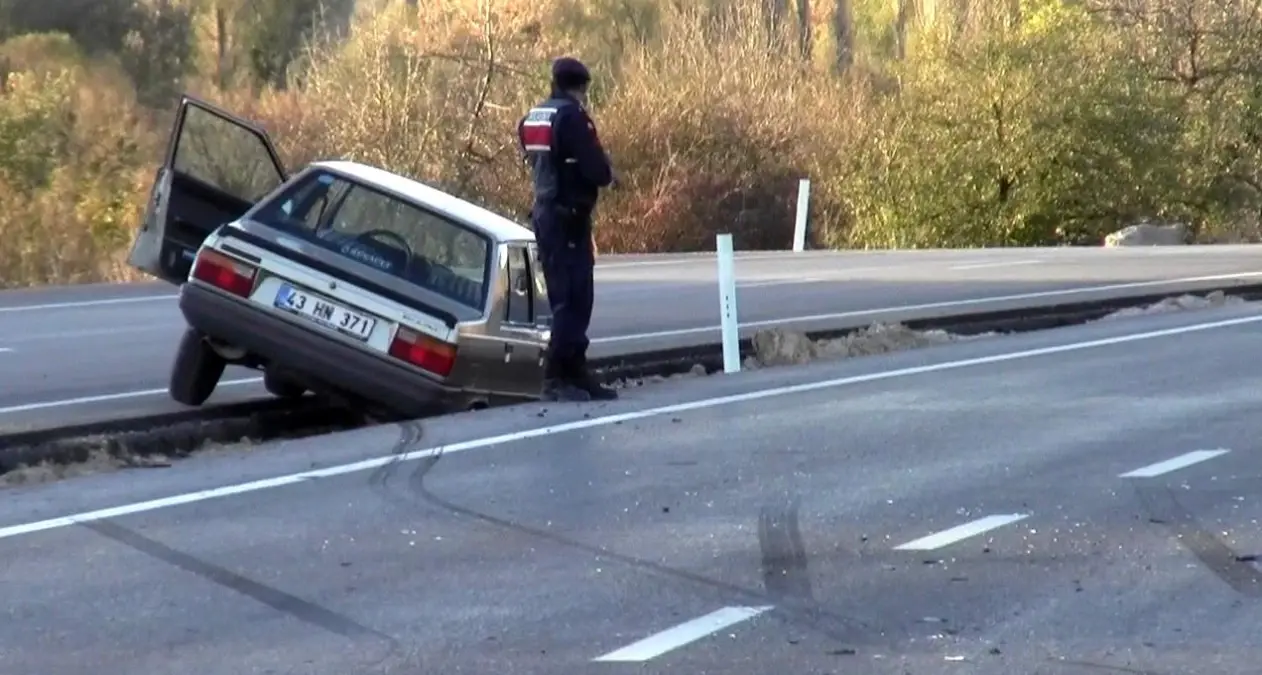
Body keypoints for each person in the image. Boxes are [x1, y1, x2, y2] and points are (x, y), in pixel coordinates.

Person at [517, 56, 618, 402]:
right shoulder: (573, 117)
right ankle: (557, 375)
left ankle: (576, 372)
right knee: (575, 299)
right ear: (580, 87)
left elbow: (534, 155)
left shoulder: (534, 116)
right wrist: (606, 172)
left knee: (563, 294)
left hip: (545, 213)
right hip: (569, 217)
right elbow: (596, 169)